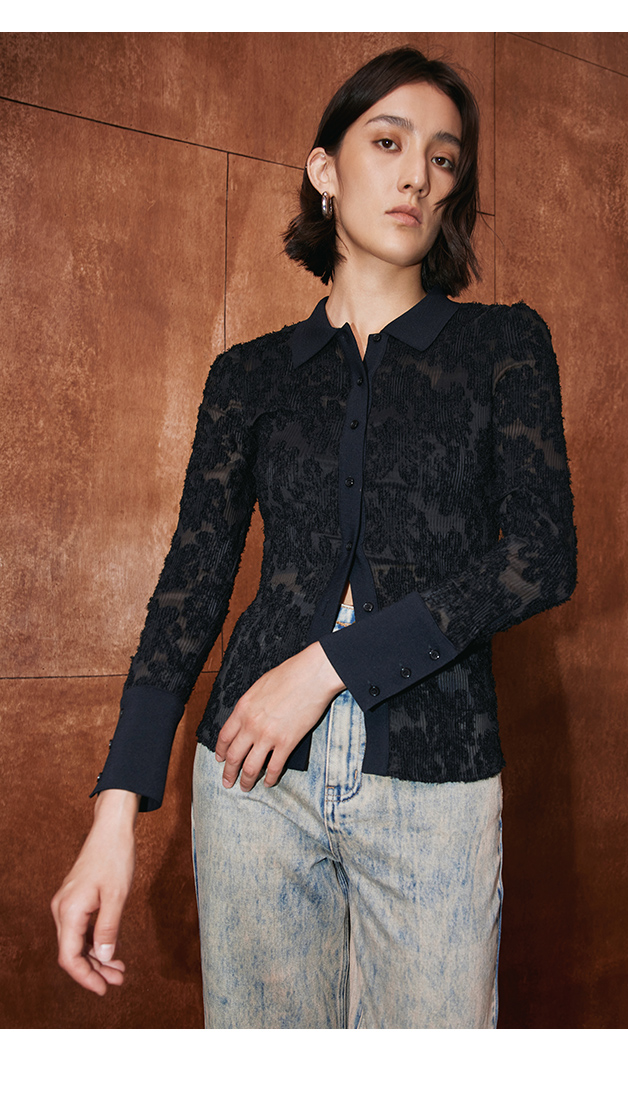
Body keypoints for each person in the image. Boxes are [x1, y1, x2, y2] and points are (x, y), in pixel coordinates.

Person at [51, 46, 577, 1029]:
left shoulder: (503, 345)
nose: (418, 175)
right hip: (252, 783)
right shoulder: (247, 376)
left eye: (444, 157)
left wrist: (330, 664)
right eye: (389, 142)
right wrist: (118, 806)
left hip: (435, 779)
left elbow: (541, 556)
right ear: (325, 169)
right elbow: (191, 581)